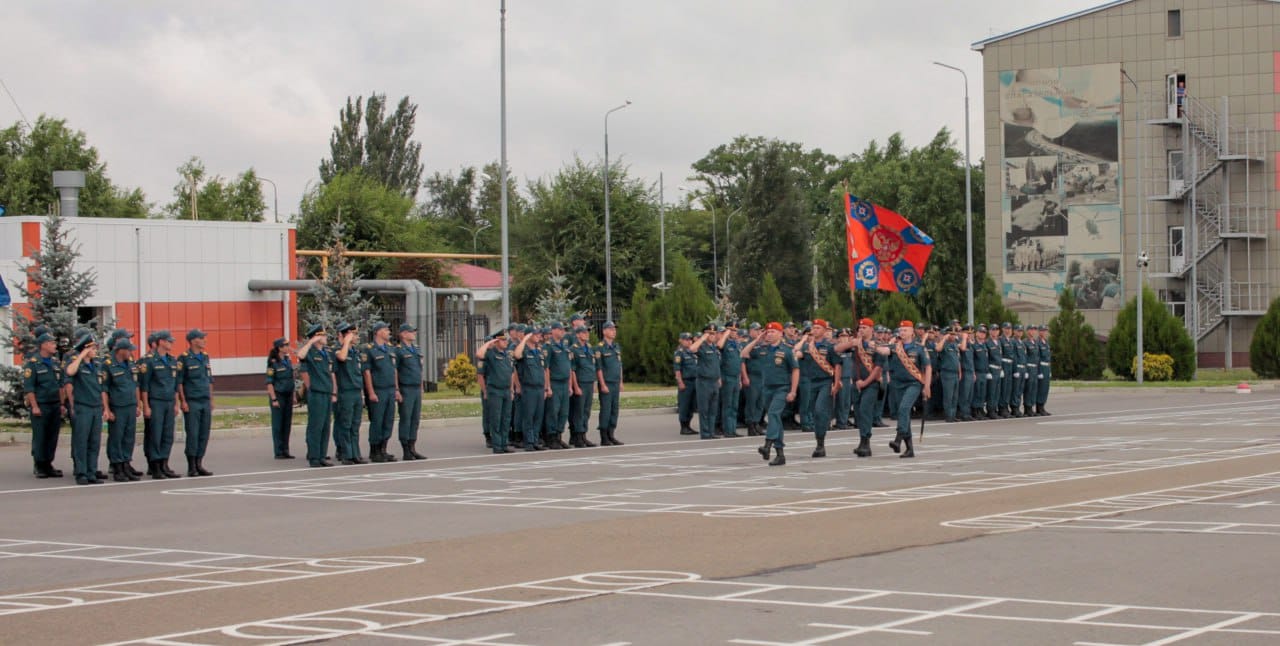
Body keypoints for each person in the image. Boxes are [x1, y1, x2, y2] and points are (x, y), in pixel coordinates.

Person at [743, 322, 797, 467]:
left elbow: (795, 370)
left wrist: (793, 390)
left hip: (782, 388)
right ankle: (780, 454)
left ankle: (767, 444)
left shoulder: (787, 350)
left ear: (780, 333)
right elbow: (744, 353)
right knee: (776, 420)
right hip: (767, 388)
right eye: (768, 332)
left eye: (773, 331)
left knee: (773, 414)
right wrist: (757, 339)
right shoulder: (762, 349)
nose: (770, 334)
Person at [877, 321, 931, 458]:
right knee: (903, 414)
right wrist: (873, 345)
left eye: (905, 330)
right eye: (901, 330)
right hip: (897, 384)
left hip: (913, 383)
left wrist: (927, 386)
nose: (902, 332)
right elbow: (884, 351)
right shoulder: (895, 347)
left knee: (903, 409)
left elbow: (928, 367)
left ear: (912, 332)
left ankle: (898, 439)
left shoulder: (919, 348)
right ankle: (909, 449)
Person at [795, 319, 841, 457]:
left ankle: (820, 444)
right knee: (815, 413)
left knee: (820, 410)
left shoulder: (830, 346)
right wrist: (803, 341)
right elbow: (797, 353)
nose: (814, 330)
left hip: (825, 382)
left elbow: (837, 365)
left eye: (817, 328)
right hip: (811, 382)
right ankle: (819, 441)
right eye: (813, 328)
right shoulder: (808, 346)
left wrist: (837, 383)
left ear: (824, 330)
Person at [23, 331, 65, 478]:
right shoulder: (33, 364)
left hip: (54, 404)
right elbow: (29, 388)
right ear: (44, 345)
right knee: (40, 436)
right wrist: (34, 406)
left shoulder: (55, 363)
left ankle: (48, 463)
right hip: (41, 405)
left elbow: (60, 385)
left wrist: (61, 404)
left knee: (52, 436)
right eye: (52, 343)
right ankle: (39, 464)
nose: (55, 345)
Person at [139, 330, 181, 479]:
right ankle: (155, 465)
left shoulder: (172, 360)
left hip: (169, 401)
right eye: (168, 341)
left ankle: (165, 463)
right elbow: (144, 386)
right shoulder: (149, 360)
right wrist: (146, 406)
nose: (171, 343)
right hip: (156, 401)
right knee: (155, 434)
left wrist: (176, 404)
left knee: (167, 434)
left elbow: (175, 384)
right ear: (161, 342)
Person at [64, 334, 105, 485]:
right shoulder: (77, 364)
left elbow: (101, 388)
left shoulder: (97, 365)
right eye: (92, 348)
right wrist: (81, 355)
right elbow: (69, 372)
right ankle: (81, 473)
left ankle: (91, 472)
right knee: (81, 441)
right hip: (83, 407)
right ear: (86, 349)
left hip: (96, 407)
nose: (95, 350)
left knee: (94, 442)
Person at [298, 323, 338, 467]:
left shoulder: (325, 353)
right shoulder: (310, 352)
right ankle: (314, 457)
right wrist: (310, 342)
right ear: (316, 337)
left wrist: (333, 391)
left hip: (326, 392)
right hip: (317, 393)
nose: (326, 337)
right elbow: (300, 355)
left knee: (325, 426)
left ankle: (322, 455)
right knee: (316, 425)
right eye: (323, 335)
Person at [177, 329, 215, 476]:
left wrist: (211, 399)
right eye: (201, 338)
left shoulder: (205, 357)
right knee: (193, 433)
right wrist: (183, 401)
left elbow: (209, 379)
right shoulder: (184, 358)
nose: (204, 340)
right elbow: (180, 382)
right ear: (193, 341)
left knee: (204, 433)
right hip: (192, 400)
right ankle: (191, 465)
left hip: (204, 399)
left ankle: (199, 462)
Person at [103, 337, 141, 481]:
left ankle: (126, 464)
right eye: (129, 350)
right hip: (117, 407)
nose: (131, 353)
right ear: (122, 350)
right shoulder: (109, 365)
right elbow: (104, 389)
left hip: (130, 405)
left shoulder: (130, 364)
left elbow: (135, 385)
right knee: (116, 438)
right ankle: (117, 467)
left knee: (128, 438)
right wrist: (107, 409)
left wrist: (138, 405)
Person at [362, 322, 401, 461]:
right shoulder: (369, 349)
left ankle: (383, 449)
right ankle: (375, 451)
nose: (388, 331)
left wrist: (397, 389)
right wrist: (371, 392)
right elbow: (367, 373)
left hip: (390, 389)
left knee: (388, 421)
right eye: (385, 329)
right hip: (378, 390)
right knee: (377, 421)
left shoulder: (390, 349)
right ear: (378, 332)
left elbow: (394, 370)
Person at [333, 322, 369, 464]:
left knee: (355, 424)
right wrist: (346, 342)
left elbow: (358, 374)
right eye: (353, 334)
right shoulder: (338, 349)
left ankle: (355, 453)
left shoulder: (355, 352)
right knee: (345, 424)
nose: (356, 336)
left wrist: (362, 394)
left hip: (356, 391)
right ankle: (346, 454)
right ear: (343, 335)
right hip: (345, 392)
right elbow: (341, 358)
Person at [849, 318, 884, 457]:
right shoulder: (856, 344)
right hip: (856, 382)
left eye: (864, 327)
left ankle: (866, 442)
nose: (861, 330)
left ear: (871, 329)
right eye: (860, 328)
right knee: (858, 413)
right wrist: (853, 342)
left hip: (871, 384)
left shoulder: (876, 346)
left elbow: (877, 369)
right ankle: (861, 440)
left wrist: (865, 382)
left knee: (865, 410)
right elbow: (839, 349)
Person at [477, 330, 516, 454]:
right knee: (496, 418)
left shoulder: (506, 355)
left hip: (506, 391)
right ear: (496, 341)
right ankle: (497, 445)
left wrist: (511, 390)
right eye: (503, 340)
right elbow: (479, 354)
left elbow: (510, 374)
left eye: (506, 340)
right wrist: (490, 342)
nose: (506, 342)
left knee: (506, 419)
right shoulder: (491, 354)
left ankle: (504, 444)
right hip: (495, 390)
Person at [513, 325, 548, 451]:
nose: (539, 335)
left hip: (539, 388)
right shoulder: (524, 351)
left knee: (538, 416)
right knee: (529, 416)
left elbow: (543, 371)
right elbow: (516, 355)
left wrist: (545, 388)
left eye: (539, 333)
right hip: (529, 388)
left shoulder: (539, 351)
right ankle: (528, 442)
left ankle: (535, 441)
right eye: (536, 334)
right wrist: (524, 339)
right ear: (529, 335)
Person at [394, 323, 426, 459]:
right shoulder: (398, 350)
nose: (414, 334)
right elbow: (395, 371)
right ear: (403, 334)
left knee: (415, 419)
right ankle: (405, 448)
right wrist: (397, 389)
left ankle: (412, 446)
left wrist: (421, 386)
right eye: (411, 332)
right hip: (405, 388)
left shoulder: (416, 349)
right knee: (406, 418)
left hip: (415, 387)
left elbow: (419, 369)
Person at [689, 324, 722, 439]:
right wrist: (702, 338)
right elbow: (692, 349)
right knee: (704, 409)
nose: (713, 335)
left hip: (714, 381)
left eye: (714, 333)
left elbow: (715, 365)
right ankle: (705, 433)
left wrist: (719, 378)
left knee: (713, 410)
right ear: (705, 334)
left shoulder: (714, 348)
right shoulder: (702, 346)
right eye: (710, 333)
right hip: (704, 382)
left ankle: (711, 432)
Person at [265, 337, 297, 459]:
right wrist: (273, 399)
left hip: (288, 394)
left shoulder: (288, 360)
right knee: (278, 424)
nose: (288, 347)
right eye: (286, 345)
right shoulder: (272, 363)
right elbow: (269, 382)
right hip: (278, 395)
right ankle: (278, 451)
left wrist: (294, 395)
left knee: (287, 423)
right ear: (280, 348)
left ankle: (286, 449)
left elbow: (291, 379)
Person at [542, 322, 572, 449]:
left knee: (564, 412)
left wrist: (570, 386)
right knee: (553, 411)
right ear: (553, 331)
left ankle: (559, 436)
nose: (562, 332)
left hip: (565, 383)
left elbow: (568, 367)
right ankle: (551, 437)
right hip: (555, 383)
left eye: (563, 330)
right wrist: (547, 387)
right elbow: (546, 368)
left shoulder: (564, 346)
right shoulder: (548, 346)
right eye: (560, 329)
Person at [568, 325, 598, 447]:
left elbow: (592, 367)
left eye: (587, 332)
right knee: (578, 411)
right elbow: (572, 370)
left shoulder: (589, 348)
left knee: (586, 411)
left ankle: (583, 435)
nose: (587, 334)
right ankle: (577, 436)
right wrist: (575, 386)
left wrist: (594, 382)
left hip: (589, 383)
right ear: (578, 334)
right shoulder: (574, 349)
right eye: (584, 332)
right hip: (580, 383)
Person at [595, 321, 624, 445]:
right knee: (606, 410)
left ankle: (611, 434)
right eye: (611, 329)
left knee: (614, 409)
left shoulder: (616, 347)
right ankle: (604, 436)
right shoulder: (600, 347)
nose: (614, 331)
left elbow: (619, 365)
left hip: (615, 382)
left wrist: (621, 381)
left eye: (614, 329)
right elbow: (599, 368)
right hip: (606, 383)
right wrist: (602, 384)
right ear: (604, 331)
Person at [718, 320, 746, 438]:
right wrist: (726, 333)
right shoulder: (725, 342)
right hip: (727, 377)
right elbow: (719, 345)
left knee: (734, 406)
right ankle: (727, 430)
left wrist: (740, 379)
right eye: (731, 329)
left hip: (735, 378)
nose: (734, 332)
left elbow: (739, 362)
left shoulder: (737, 344)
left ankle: (732, 429)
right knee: (728, 405)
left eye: (735, 330)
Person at [743, 323, 768, 436]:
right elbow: (742, 361)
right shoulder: (747, 343)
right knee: (751, 402)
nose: (759, 332)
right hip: (752, 377)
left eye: (760, 330)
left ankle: (756, 422)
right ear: (750, 331)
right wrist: (745, 376)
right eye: (756, 330)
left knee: (760, 402)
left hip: (762, 377)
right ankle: (750, 425)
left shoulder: (763, 344)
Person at [935, 323, 963, 423]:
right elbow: (937, 349)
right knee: (948, 396)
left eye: (954, 334)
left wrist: (960, 372)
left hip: (955, 373)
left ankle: (953, 415)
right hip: (947, 373)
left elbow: (957, 359)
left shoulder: (954, 344)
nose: (953, 336)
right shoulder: (944, 343)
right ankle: (948, 415)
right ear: (947, 334)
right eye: (951, 334)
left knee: (955, 397)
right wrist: (944, 338)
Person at [674, 332, 698, 435]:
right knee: (684, 405)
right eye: (686, 339)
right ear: (681, 340)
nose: (689, 341)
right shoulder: (679, 353)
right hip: (686, 382)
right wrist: (680, 382)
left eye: (690, 339)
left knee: (692, 405)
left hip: (694, 381)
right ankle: (683, 427)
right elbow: (677, 369)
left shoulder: (692, 352)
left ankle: (688, 425)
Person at [970, 325, 990, 419]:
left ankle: (980, 409)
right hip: (977, 372)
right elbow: (972, 360)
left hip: (984, 372)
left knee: (983, 392)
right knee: (977, 392)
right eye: (981, 332)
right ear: (976, 333)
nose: (982, 334)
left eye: (984, 333)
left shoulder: (984, 345)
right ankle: (975, 410)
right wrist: (973, 372)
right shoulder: (974, 345)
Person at [1037, 325, 1053, 416]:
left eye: (1045, 331)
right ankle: (1039, 407)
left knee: (1045, 388)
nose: (1044, 332)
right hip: (1041, 367)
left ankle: (1043, 406)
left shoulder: (1046, 342)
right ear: (1039, 332)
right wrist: (1039, 371)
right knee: (1041, 388)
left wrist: (1049, 370)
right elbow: (1037, 358)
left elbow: (1048, 357)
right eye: (1042, 330)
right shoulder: (1037, 342)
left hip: (1047, 367)